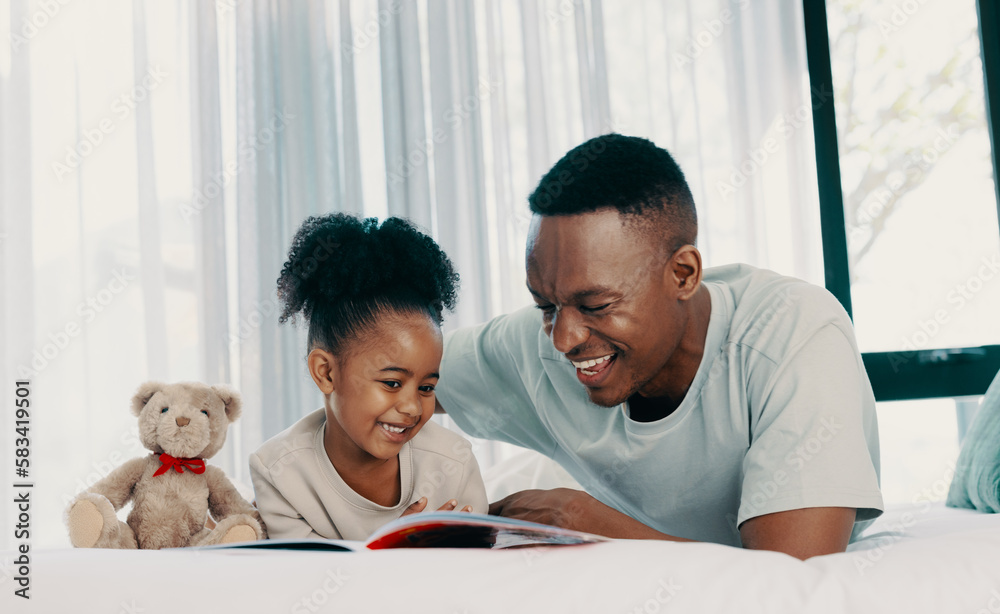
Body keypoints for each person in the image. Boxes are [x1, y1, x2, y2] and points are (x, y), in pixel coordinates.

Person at [436, 134, 883, 559]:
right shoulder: (538, 340)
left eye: (596, 305)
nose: (563, 339)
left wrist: (584, 521)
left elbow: (788, 581)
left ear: (684, 275)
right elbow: (386, 373)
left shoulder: (794, 334)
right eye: (545, 305)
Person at [250, 214, 487, 540]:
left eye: (427, 387)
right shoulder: (279, 471)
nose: (412, 408)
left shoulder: (453, 465)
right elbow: (305, 579)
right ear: (326, 373)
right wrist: (386, 553)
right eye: (392, 383)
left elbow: (482, 575)